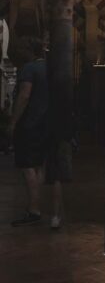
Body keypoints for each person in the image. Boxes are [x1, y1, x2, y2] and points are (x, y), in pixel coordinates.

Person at [9, 36, 49, 226]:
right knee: (39, 165)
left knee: (27, 166)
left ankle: (33, 209)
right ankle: (36, 204)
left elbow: (24, 96)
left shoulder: (29, 69)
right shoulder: (49, 68)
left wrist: (13, 122)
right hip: (45, 123)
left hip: (29, 124)